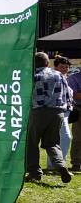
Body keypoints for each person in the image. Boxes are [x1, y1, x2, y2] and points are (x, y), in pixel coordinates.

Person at [26, 52, 73, 183]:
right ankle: (61, 166)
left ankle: (34, 172)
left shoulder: (32, 75)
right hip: (58, 113)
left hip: (38, 112)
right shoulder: (59, 75)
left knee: (32, 143)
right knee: (52, 143)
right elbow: (68, 94)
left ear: (34, 63)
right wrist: (67, 110)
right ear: (47, 63)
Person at [47, 55, 73, 171]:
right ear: (55, 66)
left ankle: (54, 165)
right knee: (65, 137)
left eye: (66, 67)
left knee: (57, 138)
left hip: (65, 112)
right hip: (56, 111)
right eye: (62, 67)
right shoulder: (53, 78)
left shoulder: (65, 78)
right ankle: (58, 165)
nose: (65, 69)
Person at [67, 63, 81, 171]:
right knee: (78, 138)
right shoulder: (73, 78)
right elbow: (74, 95)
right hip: (79, 109)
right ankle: (76, 163)